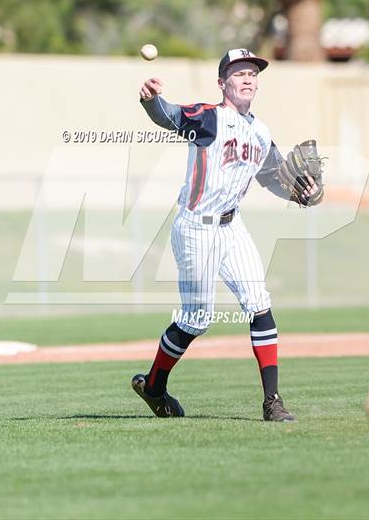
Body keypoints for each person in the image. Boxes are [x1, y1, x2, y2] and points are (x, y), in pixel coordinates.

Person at [132, 48, 319, 422]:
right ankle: (154, 387)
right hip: (196, 227)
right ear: (222, 83)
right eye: (239, 73)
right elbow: (170, 117)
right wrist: (150, 101)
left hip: (232, 227)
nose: (248, 78)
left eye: (253, 72)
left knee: (258, 303)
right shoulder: (209, 118)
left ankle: (273, 402)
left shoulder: (261, 132)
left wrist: (303, 192)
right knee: (196, 319)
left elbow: (274, 179)